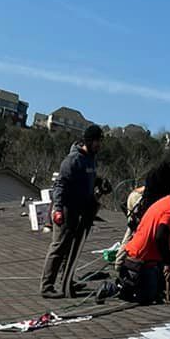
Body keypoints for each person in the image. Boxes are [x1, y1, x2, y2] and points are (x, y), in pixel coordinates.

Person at [41, 123, 104, 298]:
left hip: (80, 210)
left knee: (72, 248)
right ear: (89, 141)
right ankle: (47, 286)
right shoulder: (72, 160)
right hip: (67, 208)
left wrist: (99, 182)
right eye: (97, 141)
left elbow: (87, 178)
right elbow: (60, 186)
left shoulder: (90, 158)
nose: (99, 145)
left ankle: (66, 280)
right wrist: (58, 209)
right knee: (59, 247)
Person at [117, 181, 170, 304]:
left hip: (137, 256)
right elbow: (161, 237)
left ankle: (130, 286)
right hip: (141, 261)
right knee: (147, 298)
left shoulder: (165, 201)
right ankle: (115, 288)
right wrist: (168, 264)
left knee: (156, 289)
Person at [125, 144, 170, 233]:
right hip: (146, 203)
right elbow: (148, 198)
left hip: (166, 207)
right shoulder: (156, 173)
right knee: (136, 234)